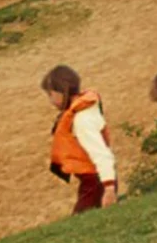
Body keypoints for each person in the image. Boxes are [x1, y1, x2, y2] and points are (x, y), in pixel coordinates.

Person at [40, 64, 117, 213]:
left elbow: (101, 154)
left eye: (50, 94)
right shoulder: (82, 112)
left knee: (82, 221)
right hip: (95, 181)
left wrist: (109, 187)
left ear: (62, 91)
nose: (50, 101)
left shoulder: (82, 120)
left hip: (97, 182)